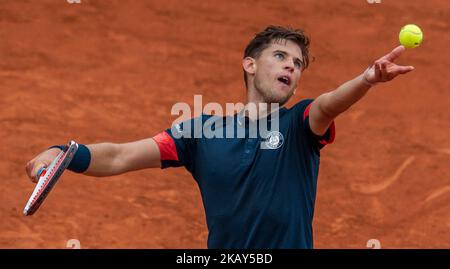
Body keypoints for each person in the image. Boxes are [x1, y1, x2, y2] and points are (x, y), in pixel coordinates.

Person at [25, 25, 414, 249]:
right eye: (281, 57)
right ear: (249, 64)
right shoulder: (200, 132)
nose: (291, 67)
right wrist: (63, 153)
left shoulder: (300, 124)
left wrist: (366, 80)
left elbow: (330, 104)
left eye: (297, 64)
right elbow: (120, 156)